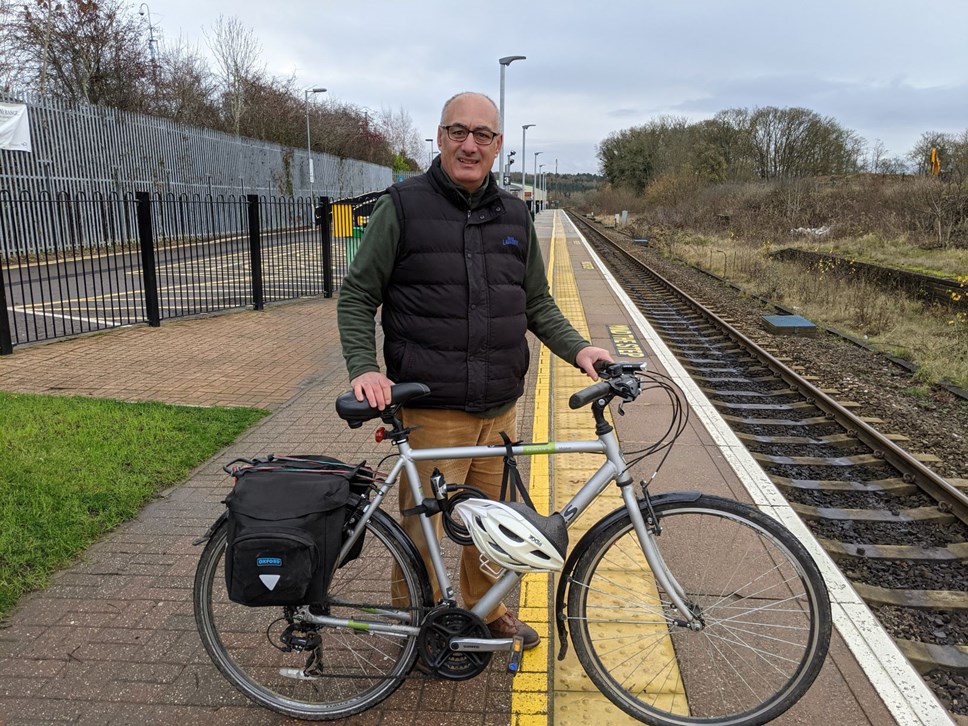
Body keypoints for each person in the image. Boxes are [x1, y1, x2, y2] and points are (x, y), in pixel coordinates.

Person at [337, 91, 612, 649]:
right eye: (457, 132)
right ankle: (418, 623)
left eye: (482, 135)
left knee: (492, 530)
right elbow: (357, 294)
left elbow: (537, 302)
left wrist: (582, 351)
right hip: (433, 408)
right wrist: (365, 368)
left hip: (501, 405)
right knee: (424, 531)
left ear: (498, 145)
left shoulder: (513, 212)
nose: (469, 144)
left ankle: (484, 611)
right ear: (439, 138)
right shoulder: (403, 205)